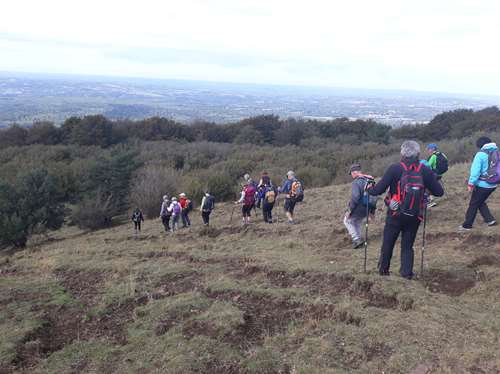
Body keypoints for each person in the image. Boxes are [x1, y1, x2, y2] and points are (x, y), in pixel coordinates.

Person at [367, 141, 444, 279]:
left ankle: (383, 270)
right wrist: (426, 188)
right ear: (418, 153)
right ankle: (406, 273)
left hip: (395, 212)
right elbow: (439, 192)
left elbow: (378, 190)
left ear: (402, 153)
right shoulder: (424, 170)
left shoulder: (394, 169)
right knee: (408, 245)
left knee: (388, 242)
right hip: (414, 215)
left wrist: (369, 188)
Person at [460, 137, 498, 230]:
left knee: (473, 204)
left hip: (483, 185)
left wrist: (470, 184)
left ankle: (467, 225)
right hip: (494, 184)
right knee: (480, 201)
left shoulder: (480, 154)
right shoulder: (497, 152)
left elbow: (475, 172)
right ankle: (490, 220)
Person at [344, 164, 376, 249]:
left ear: (354, 172)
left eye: (351, 173)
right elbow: (374, 196)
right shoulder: (369, 180)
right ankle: (359, 240)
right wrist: (372, 211)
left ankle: (356, 239)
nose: (351, 175)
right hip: (368, 207)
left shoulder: (356, 182)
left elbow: (355, 197)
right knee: (356, 222)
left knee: (347, 221)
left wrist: (349, 210)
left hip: (359, 208)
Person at [425, 143, 448, 207]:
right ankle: (444, 196)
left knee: (427, 185)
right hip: (441, 173)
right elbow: (446, 161)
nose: (428, 151)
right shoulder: (442, 154)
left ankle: (430, 201)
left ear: (432, 149)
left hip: (434, 174)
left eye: (429, 149)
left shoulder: (433, 156)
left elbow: (428, 165)